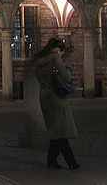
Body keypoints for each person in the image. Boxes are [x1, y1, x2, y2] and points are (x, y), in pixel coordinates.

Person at [32, 37, 80, 170]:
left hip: (45, 97)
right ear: (58, 49)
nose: (61, 55)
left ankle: (54, 161)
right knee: (60, 132)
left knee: (56, 132)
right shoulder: (55, 58)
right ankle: (70, 162)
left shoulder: (38, 60)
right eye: (61, 52)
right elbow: (66, 77)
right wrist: (68, 69)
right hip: (57, 98)